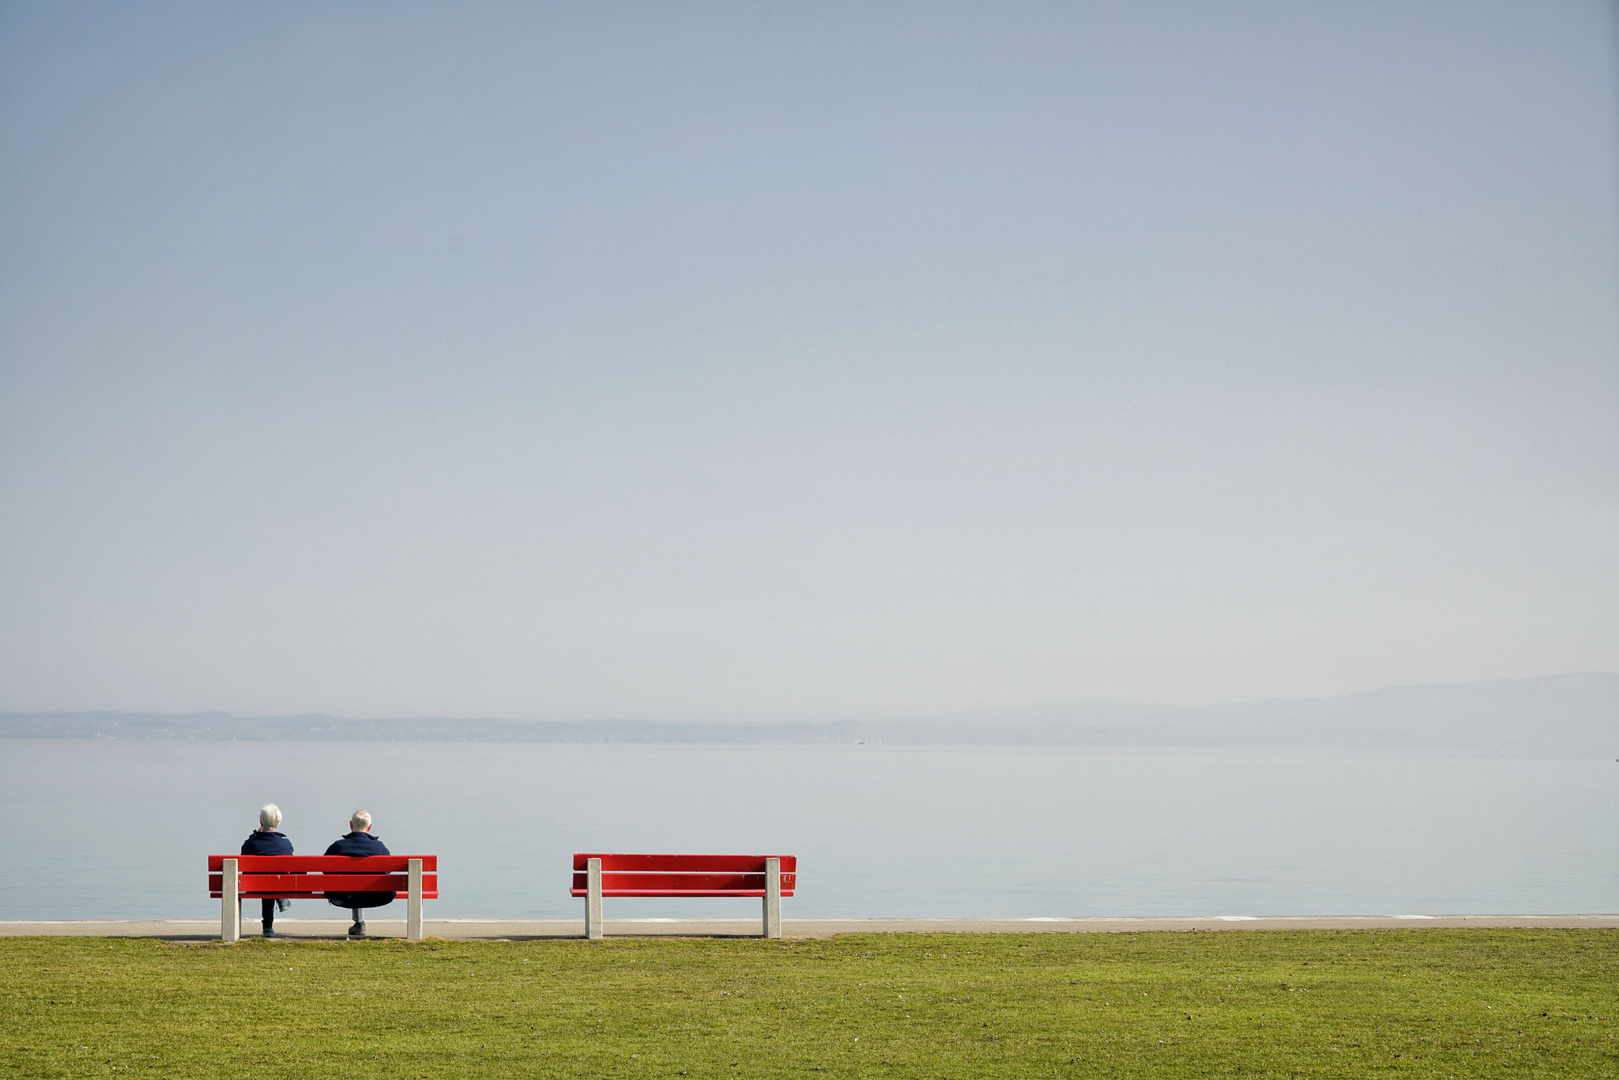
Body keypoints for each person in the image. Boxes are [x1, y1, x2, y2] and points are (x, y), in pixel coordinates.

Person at [324, 810, 392, 937]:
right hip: (375, 894)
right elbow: (387, 870)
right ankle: (359, 923)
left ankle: (359, 923)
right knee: (359, 884)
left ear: (351, 825)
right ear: (370, 826)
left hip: (343, 895)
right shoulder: (379, 847)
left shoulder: (338, 847)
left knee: (353, 884)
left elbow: (324, 868)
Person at [241, 804, 294, 938]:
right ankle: (280, 897)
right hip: (279, 884)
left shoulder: (251, 843)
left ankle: (267, 927)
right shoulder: (285, 843)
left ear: (260, 822)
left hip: (253, 884)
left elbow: (244, 854)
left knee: (266, 881)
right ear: (278, 822)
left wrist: (256, 834)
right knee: (273, 879)